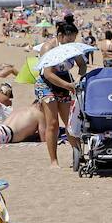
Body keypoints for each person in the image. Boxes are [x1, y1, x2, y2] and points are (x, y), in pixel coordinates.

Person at [35, 21, 86, 168]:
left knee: (70, 123)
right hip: (46, 84)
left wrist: (78, 78)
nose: (71, 43)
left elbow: (82, 64)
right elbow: (49, 74)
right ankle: (54, 161)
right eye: (69, 40)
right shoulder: (48, 47)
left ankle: (78, 155)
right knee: (53, 123)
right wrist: (68, 86)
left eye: (73, 40)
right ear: (60, 36)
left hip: (64, 82)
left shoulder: (72, 49)